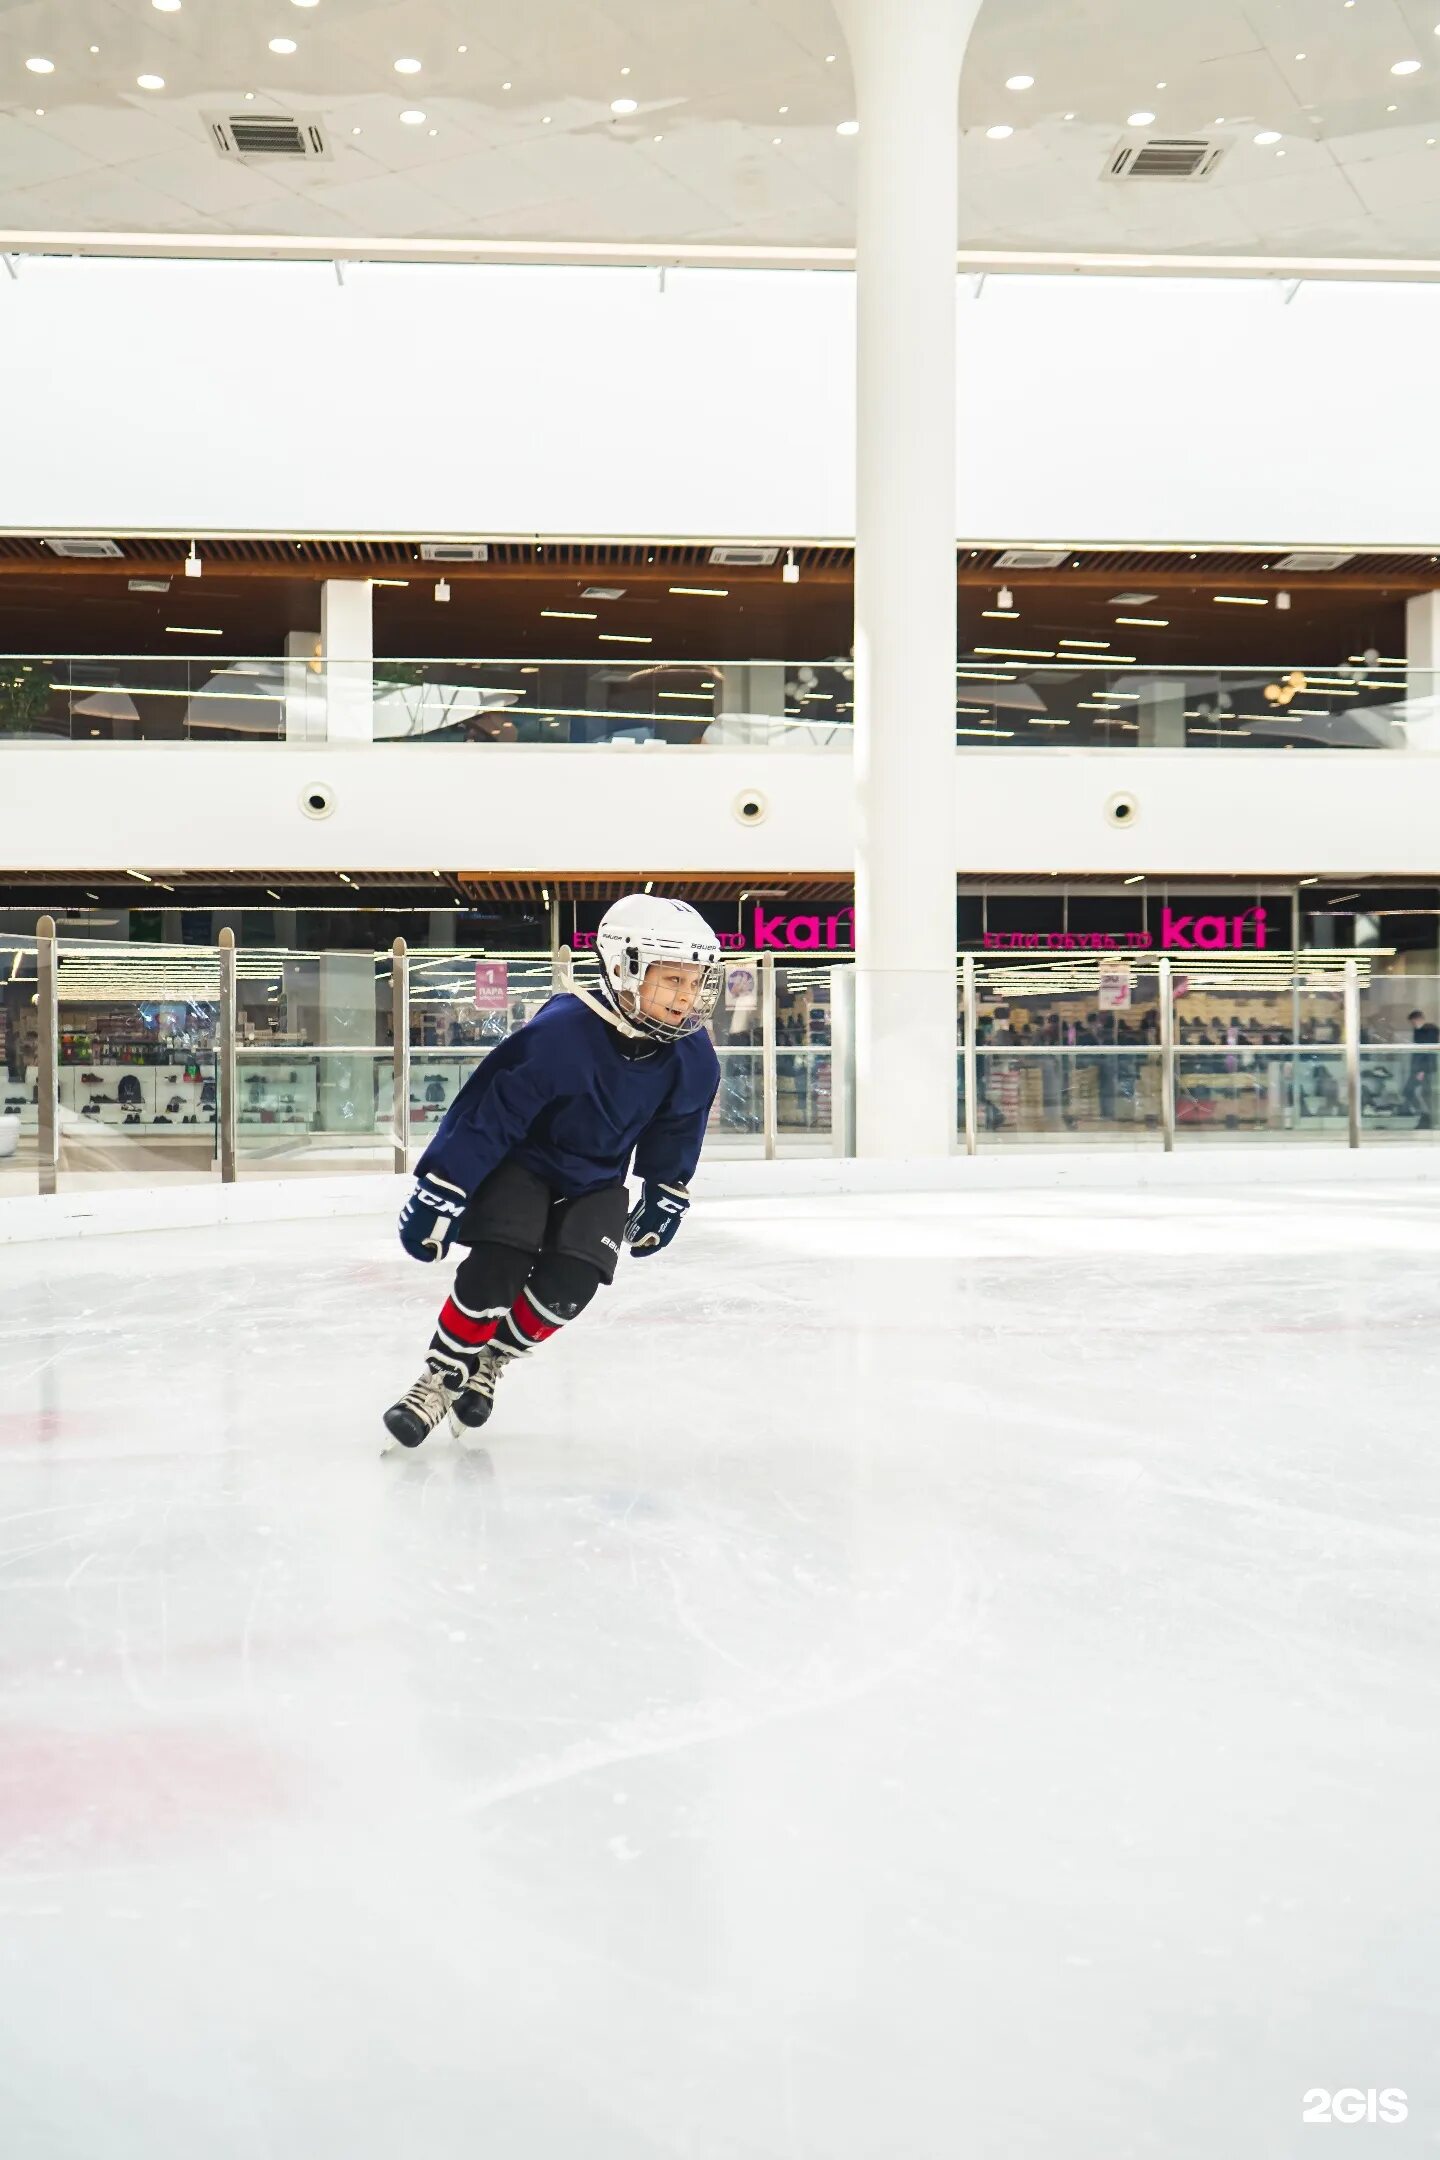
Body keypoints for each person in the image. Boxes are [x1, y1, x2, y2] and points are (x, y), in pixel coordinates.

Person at [382, 894, 723, 1448]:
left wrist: (666, 1188)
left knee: (572, 1285)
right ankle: (440, 1378)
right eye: (672, 981)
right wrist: (442, 1187)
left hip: (597, 1179)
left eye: (694, 982)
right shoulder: (560, 1033)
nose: (686, 998)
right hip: (526, 1164)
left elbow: (677, 1130)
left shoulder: (693, 1056)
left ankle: (490, 1360)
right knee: (497, 1264)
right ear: (624, 968)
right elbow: (488, 1116)